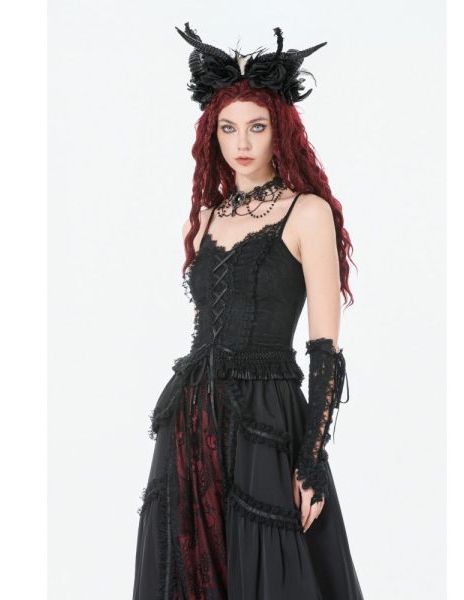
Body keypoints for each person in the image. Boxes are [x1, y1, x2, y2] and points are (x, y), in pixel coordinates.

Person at [132, 22, 364, 599]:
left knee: (273, 570)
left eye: (256, 126)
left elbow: (325, 348)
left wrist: (311, 460)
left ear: (278, 129)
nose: (242, 142)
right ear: (212, 133)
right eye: (228, 128)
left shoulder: (308, 212)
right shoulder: (203, 219)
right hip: (193, 416)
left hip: (267, 418)